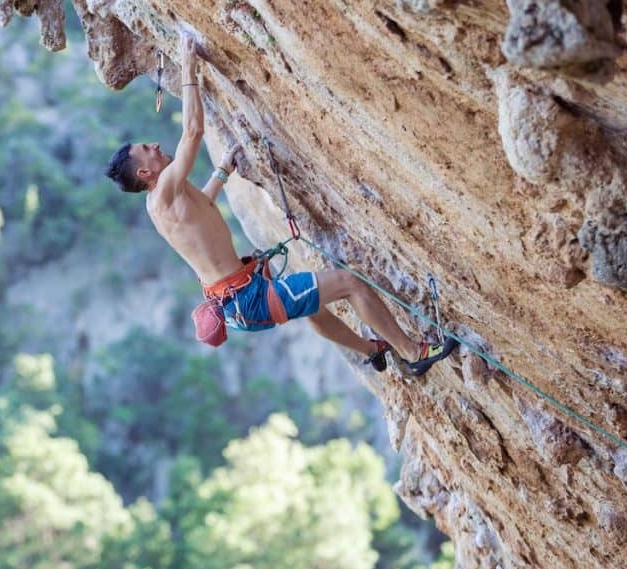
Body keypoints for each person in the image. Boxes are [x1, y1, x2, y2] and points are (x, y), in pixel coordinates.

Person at [104, 31, 457, 376]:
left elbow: (204, 209)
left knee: (313, 308)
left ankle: (372, 350)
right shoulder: (163, 191)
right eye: (146, 150)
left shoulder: (165, 201)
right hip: (247, 297)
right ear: (145, 173)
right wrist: (188, 68)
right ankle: (413, 353)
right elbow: (193, 131)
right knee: (351, 284)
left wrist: (224, 171)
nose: (153, 145)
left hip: (238, 299)